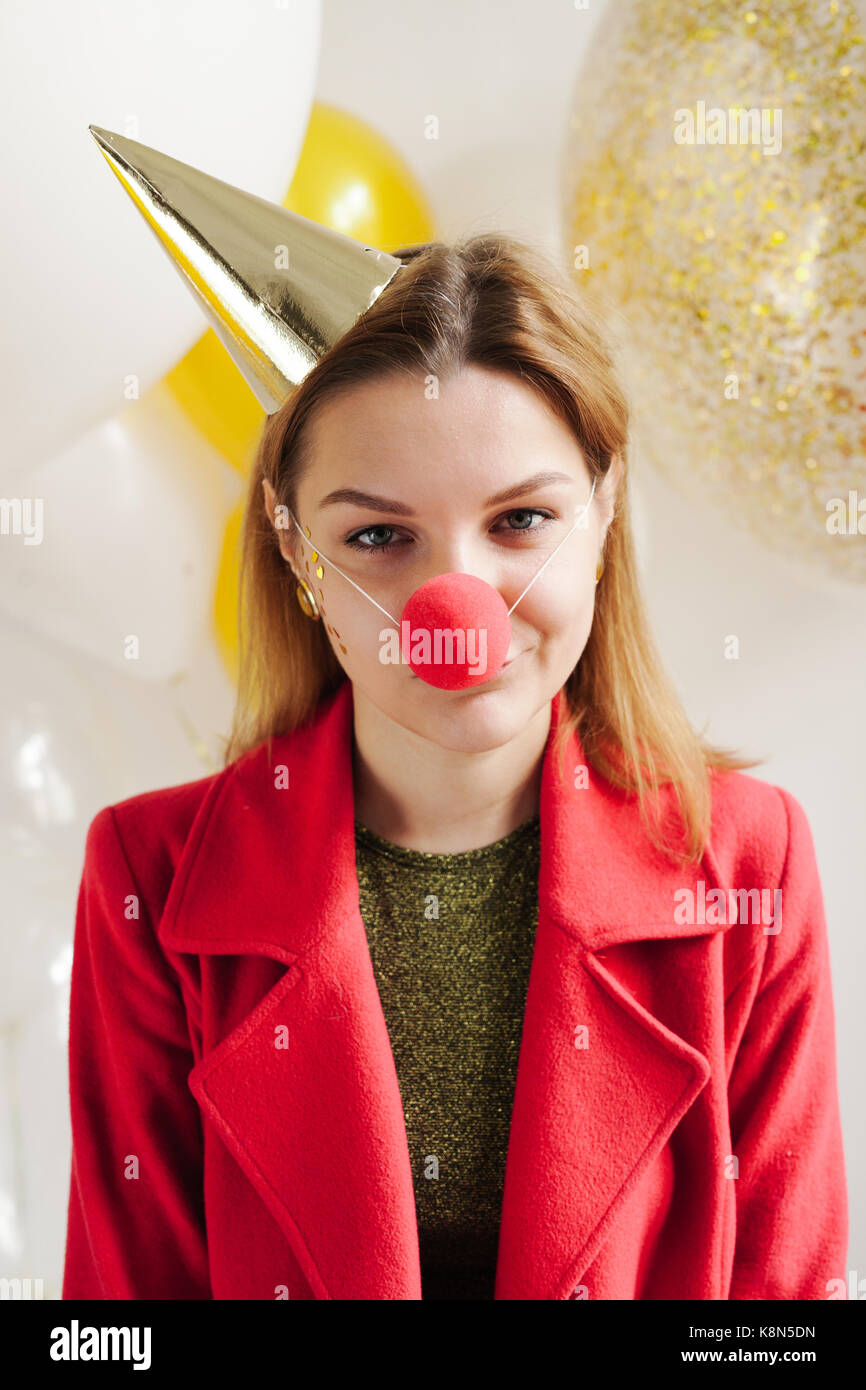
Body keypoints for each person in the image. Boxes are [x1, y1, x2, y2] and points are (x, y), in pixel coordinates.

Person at [62, 133, 848, 1300]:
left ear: (603, 506)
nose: (457, 606)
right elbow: (120, 1320)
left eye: (521, 521)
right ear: (295, 546)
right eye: (378, 536)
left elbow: (787, 1316)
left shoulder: (745, 865)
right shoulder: (152, 875)